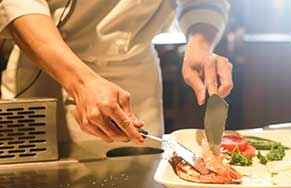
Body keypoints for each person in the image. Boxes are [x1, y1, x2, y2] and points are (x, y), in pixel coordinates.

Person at [0, 0, 233, 144]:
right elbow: (19, 4)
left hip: (135, 79)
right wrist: (81, 83)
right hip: (47, 66)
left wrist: (200, 45)